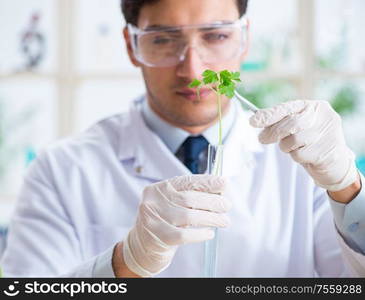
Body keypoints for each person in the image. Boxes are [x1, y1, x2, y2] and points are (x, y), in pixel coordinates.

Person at [1, 0, 365, 277]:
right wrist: (125, 263)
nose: (193, 70)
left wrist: (348, 188)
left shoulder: (305, 158)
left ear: (244, 38)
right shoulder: (62, 170)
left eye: (216, 36)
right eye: (163, 39)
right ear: (131, 46)